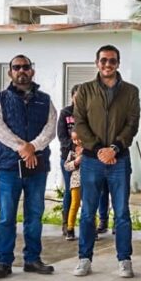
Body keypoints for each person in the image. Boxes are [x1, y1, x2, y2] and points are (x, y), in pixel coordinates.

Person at [72, 44, 141, 277]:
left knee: (121, 212)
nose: (107, 65)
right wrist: (99, 149)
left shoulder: (131, 92)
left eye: (112, 61)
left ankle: (124, 259)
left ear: (118, 63)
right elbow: (79, 122)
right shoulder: (84, 90)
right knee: (88, 212)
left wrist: (114, 148)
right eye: (103, 60)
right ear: (97, 63)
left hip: (119, 159)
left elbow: (132, 124)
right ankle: (84, 258)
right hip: (92, 160)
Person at [0, 55, 57, 278]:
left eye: (25, 67)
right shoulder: (0, 100)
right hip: (9, 166)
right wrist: (22, 148)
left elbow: (50, 128)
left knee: (34, 214)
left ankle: (32, 259)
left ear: (32, 71)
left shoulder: (45, 100)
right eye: (16, 67)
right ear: (10, 73)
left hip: (37, 166)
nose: (21, 71)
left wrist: (33, 147)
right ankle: (4, 261)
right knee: (7, 215)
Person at [58, 84, 109, 239]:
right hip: (70, 156)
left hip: (89, 158)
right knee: (70, 193)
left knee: (91, 194)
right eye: (77, 95)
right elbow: (62, 137)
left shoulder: (91, 113)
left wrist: (88, 148)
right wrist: (76, 148)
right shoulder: (65, 113)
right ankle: (68, 225)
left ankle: (91, 227)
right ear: (73, 96)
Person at [63, 132, 83, 241]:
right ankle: (70, 228)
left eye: (79, 139)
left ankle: (92, 229)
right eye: (74, 140)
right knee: (74, 204)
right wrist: (75, 162)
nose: (77, 142)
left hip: (88, 182)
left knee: (89, 205)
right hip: (75, 183)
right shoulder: (71, 153)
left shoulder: (89, 151)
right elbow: (66, 166)